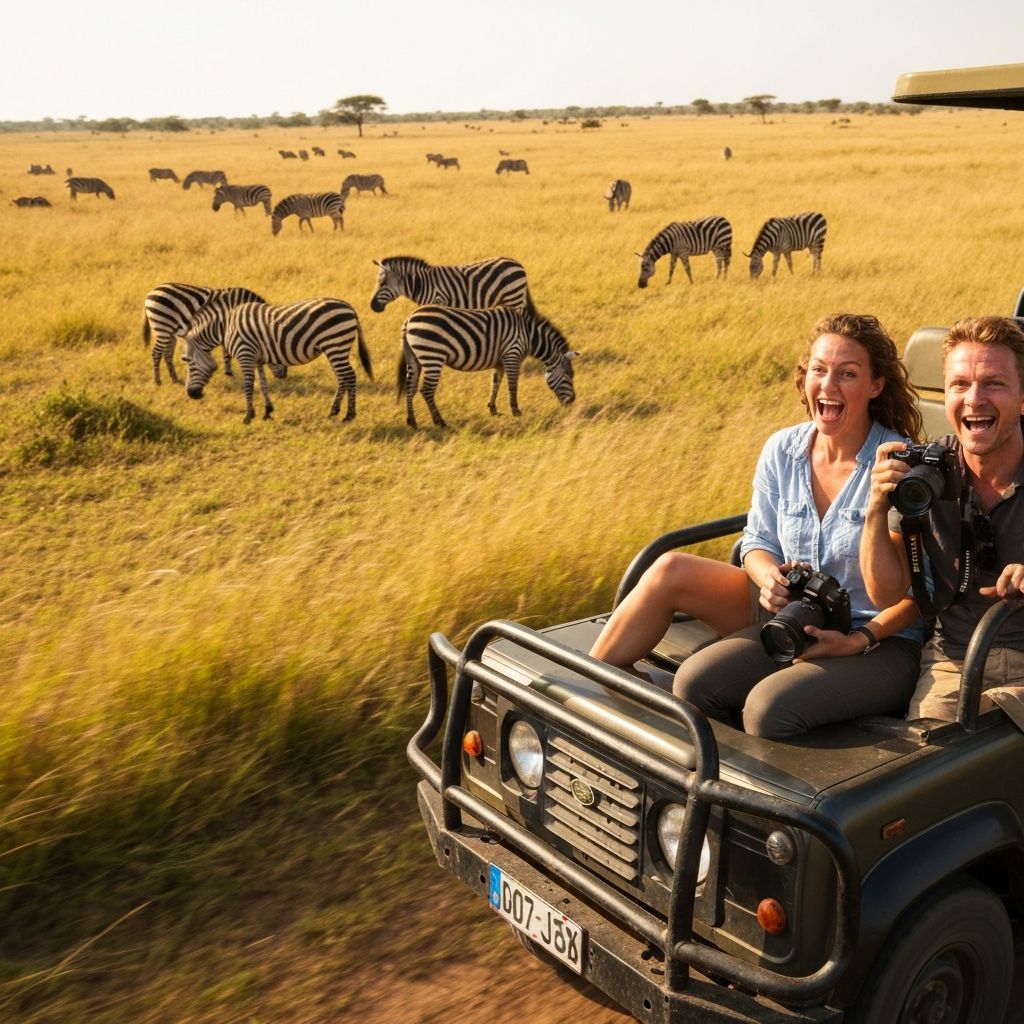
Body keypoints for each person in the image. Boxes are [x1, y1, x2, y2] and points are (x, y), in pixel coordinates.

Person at [590, 313, 925, 738]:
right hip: (794, 614)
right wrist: (769, 579)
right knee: (692, 674)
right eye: (819, 370)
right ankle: (589, 696)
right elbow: (757, 541)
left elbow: (924, 593)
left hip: (877, 637)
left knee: (768, 709)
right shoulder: (783, 449)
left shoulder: (899, 465)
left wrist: (860, 640)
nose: (828, 385)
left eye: (847, 374)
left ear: (875, 386)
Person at [860, 315, 1024, 721]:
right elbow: (885, 594)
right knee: (929, 758)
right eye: (960, 384)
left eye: (994, 383)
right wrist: (876, 510)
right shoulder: (929, 473)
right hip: (954, 661)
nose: (974, 399)